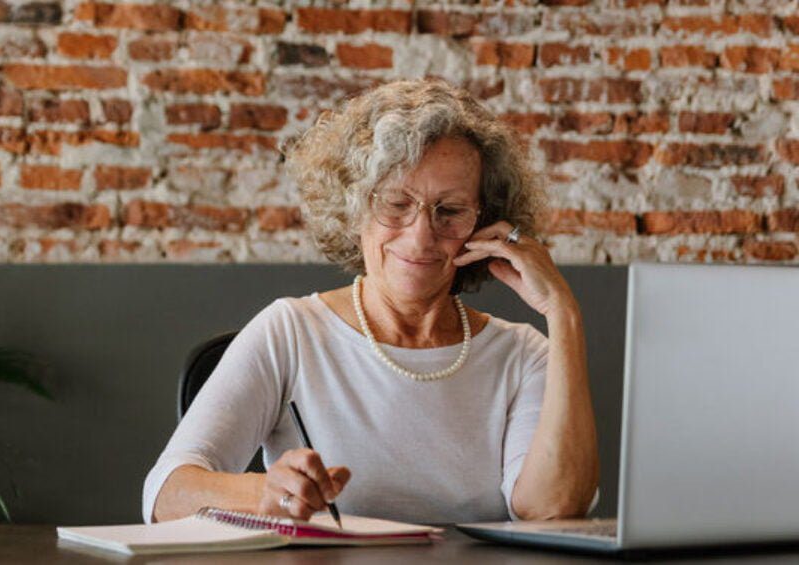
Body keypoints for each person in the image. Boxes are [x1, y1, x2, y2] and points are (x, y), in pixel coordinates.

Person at [142, 78, 599, 525]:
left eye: (451, 210)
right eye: (396, 204)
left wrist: (564, 314)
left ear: (485, 226)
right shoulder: (290, 332)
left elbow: (551, 507)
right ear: (354, 207)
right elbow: (166, 493)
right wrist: (267, 492)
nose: (421, 236)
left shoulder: (522, 355)